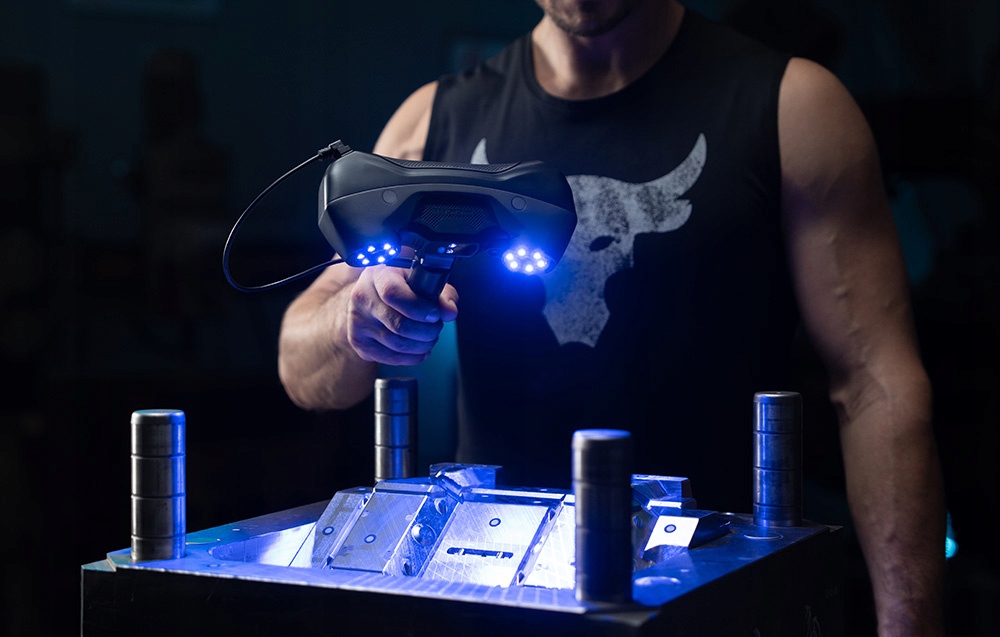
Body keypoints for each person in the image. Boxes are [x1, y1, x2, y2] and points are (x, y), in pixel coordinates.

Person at [277, 1, 944, 634]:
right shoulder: (434, 121)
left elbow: (876, 388)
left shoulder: (792, 107)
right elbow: (304, 370)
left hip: (718, 598)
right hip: (494, 595)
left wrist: (910, 625)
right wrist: (356, 319)